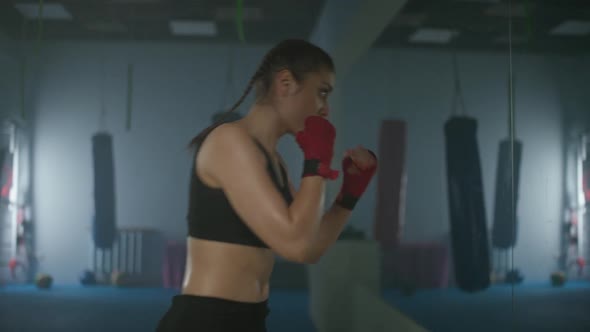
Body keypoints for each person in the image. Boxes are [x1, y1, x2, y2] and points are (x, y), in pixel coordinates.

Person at [156, 39, 377, 332]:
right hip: (205, 320)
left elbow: (309, 249)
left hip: (249, 318)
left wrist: (350, 193)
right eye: (322, 93)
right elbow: (295, 246)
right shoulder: (230, 141)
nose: (325, 109)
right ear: (285, 83)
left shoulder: (274, 161)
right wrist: (317, 162)